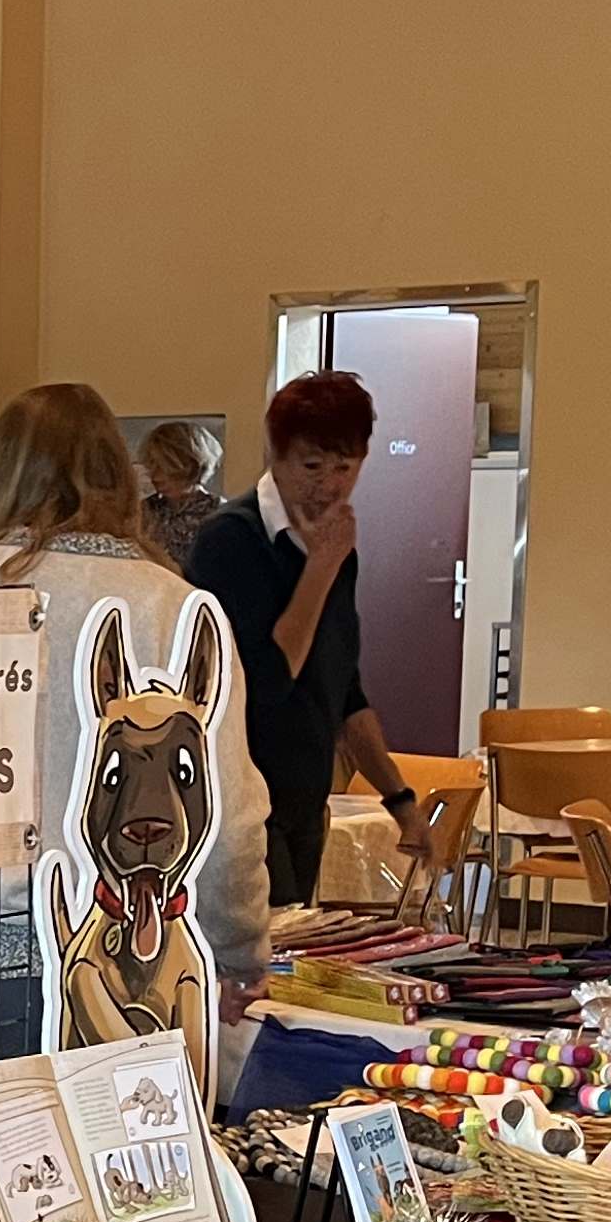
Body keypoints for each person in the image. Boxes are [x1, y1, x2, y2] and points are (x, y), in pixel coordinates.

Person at [0, 384, 268, 989]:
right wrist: (238, 951)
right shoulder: (173, 608)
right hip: (112, 959)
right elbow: (226, 818)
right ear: (119, 474)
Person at [179, 370, 437, 906]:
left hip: (305, 800)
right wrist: (320, 566)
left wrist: (401, 800)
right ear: (275, 455)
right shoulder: (231, 540)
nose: (330, 485)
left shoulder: (334, 550)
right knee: (263, 947)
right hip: (240, 804)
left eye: (345, 467)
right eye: (312, 466)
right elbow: (266, 680)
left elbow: (343, 689)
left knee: (300, 945)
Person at [137, 419, 222, 570]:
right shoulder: (145, 510)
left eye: (164, 467)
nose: (155, 476)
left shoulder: (218, 514)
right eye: (151, 466)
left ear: (191, 465)